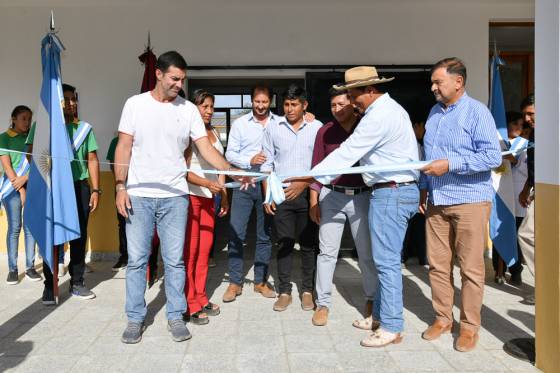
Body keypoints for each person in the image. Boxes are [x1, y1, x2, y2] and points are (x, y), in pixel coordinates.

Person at [115, 51, 249, 344]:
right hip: (138, 195)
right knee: (137, 261)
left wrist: (233, 171)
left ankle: (175, 316)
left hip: (176, 196)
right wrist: (120, 186)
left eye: (182, 79)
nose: (178, 84)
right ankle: (135, 318)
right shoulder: (135, 105)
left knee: (175, 261)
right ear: (159, 74)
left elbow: (206, 149)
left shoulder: (188, 110)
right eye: (174, 78)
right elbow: (124, 146)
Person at [307, 66, 420, 347]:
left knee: (386, 263)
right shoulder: (386, 111)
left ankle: (391, 326)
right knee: (381, 260)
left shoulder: (379, 116)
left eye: (353, 95)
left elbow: (348, 153)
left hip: (391, 193)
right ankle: (380, 316)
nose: (352, 102)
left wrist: (306, 178)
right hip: (387, 192)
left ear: (369, 91)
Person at [419, 57, 502, 352]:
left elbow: (493, 157)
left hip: (470, 202)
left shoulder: (478, 113)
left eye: (438, 81)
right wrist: (424, 189)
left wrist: (451, 164)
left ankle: (469, 328)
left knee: (470, 269)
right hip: (437, 202)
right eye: (433, 82)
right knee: (438, 267)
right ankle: (443, 319)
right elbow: (429, 159)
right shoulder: (433, 113)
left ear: (458, 82)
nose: (433, 87)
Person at [27, 83, 101, 304]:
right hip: (52, 187)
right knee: (52, 236)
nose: (71, 103)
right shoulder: (42, 127)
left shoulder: (84, 128)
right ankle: (50, 285)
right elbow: (31, 155)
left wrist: (96, 189)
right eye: (66, 99)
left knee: (78, 236)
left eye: (73, 99)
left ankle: (77, 281)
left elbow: (93, 159)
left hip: (79, 186)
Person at [310, 88, 377, 326]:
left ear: (352, 104)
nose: (337, 109)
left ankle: (371, 299)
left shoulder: (366, 126)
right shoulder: (325, 132)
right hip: (333, 197)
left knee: (366, 254)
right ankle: (323, 304)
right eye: (333, 106)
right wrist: (314, 200)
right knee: (327, 253)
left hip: (362, 197)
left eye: (341, 104)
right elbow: (317, 168)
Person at [261, 84, 322, 312]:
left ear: (304, 105)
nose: (289, 109)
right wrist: (268, 196)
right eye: (286, 104)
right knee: (284, 243)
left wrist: (304, 183)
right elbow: (267, 164)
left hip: (309, 194)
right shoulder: (273, 128)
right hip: (282, 193)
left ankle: (307, 291)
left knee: (308, 244)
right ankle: (285, 290)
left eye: (294, 104)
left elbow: (322, 164)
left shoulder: (317, 128)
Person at [222, 85, 277, 302]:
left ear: (270, 101)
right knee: (237, 233)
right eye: (257, 102)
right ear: (251, 101)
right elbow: (229, 154)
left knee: (265, 235)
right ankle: (235, 283)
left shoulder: (279, 122)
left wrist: (308, 117)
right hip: (244, 182)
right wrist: (249, 161)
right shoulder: (240, 124)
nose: (261, 106)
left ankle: (260, 282)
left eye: (265, 102)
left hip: (269, 182)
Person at [183, 89, 228, 325]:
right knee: (190, 253)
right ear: (194, 108)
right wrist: (206, 184)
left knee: (204, 252)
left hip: (211, 199)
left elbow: (219, 169)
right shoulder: (189, 136)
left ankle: (201, 297)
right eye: (204, 107)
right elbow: (183, 171)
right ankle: (188, 303)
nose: (209, 111)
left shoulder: (214, 133)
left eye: (211, 107)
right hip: (191, 198)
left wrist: (224, 195)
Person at [0, 105, 40, 284]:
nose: (27, 122)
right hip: (11, 187)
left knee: (30, 227)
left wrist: (25, 180)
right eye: (23, 118)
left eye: (29, 119)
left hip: (30, 183)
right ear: (13, 119)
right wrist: (21, 188)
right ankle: (13, 269)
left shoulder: (32, 139)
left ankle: (30, 267)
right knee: (15, 227)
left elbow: (38, 164)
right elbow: (7, 167)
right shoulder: (4, 138)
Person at [492, 111, 526, 286]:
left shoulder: (523, 144)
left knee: (517, 236)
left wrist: (498, 151)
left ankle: (516, 270)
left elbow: (513, 159)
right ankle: (499, 270)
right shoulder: (501, 142)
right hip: (502, 196)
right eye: (514, 124)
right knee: (500, 232)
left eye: (521, 125)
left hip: (519, 200)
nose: (519, 128)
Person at [517, 94, 535, 304]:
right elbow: (533, 165)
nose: (527, 119)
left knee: (527, 234)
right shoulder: (533, 135)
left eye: (531, 113)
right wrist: (526, 188)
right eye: (525, 115)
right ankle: (546, 287)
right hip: (538, 189)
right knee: (527, 234)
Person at [106, 135, 128, 271]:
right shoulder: (115, 141)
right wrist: (120, 185)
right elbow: (112, 165)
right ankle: (124, 256)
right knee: (123, 223)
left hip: (141, 189)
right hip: (121, 188)